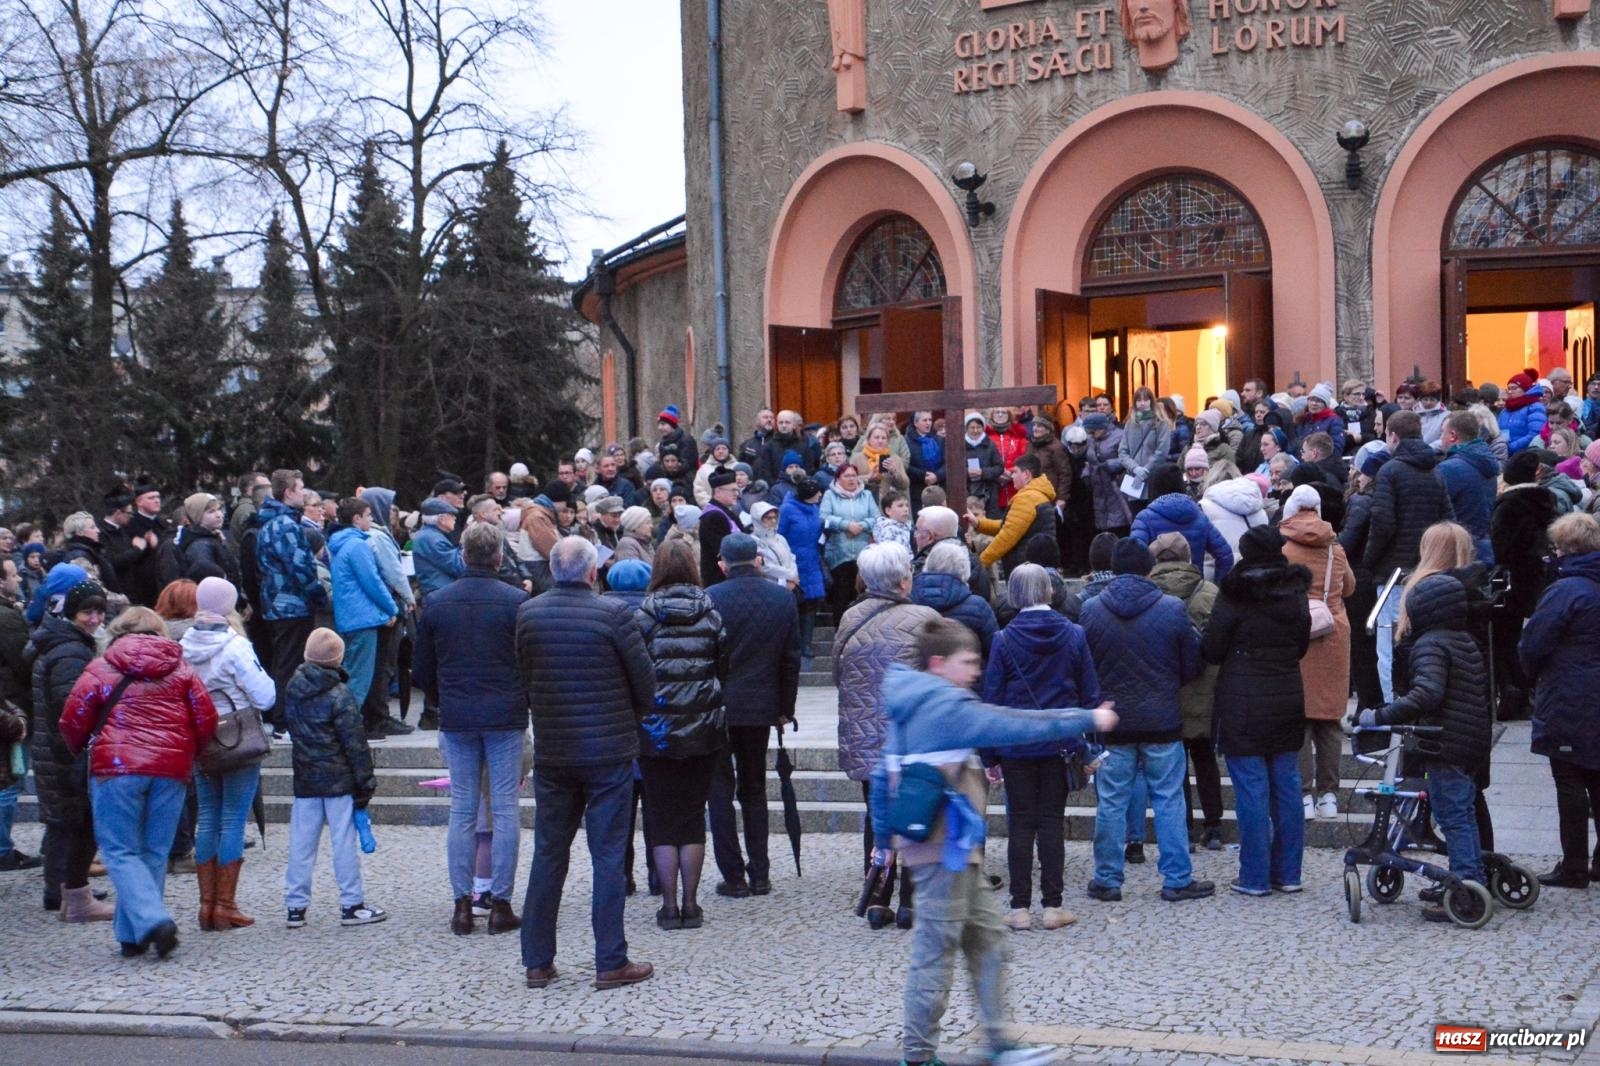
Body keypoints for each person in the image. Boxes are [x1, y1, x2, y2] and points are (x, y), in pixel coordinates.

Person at [870, 617, 1116, 1066]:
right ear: (939, 664)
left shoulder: (913, 699)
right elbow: (1014, 723)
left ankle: (999, 1042)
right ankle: (919, 1058)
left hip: (956, 848)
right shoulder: (944, 706)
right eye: (968, 662)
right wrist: (1088, 717)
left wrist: (885, 841)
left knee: (987, 942)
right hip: (944, 852)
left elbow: (880, 772)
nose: (976, 671)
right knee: (935, 955)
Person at [516, 536, 656, 990]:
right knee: (608, 855)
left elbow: (525, 675)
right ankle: (610, 960)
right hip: (608, 751)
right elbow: (646, 685)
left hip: (555, 750)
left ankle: (537, 961)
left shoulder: (528, 614)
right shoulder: (613, 614)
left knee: (549, 853)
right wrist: (627, 719)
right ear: (593, 572)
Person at [59, 606, 216, 957]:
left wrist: (80, 750)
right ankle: (132, 935)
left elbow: (73, 718)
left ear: (118, 632)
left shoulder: (101, 668)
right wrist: (186, 752)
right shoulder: (182, 671)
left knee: (118, 849)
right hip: (171, 769)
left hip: (115, 768)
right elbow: (206, 719)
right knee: (154, 851)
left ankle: (151, 920)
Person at [412, 523, 530, 935]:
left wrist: (445, 696)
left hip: (459, 713)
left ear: (462, 555)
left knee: (462, 810)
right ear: (499, 556)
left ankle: (462, 904)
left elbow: (422, 669)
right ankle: (500, 902)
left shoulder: (437, 603)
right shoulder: (517, 602)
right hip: (505, 713)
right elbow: (528, 662)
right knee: (504, 809)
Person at [1357, 571, 1493, 920]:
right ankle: (1470, 875)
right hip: (1469, 739)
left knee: (1453, 816)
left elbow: (1427, 692)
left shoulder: (1431, 644)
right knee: (1462, 814)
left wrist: (1380, 715)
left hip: (1444, 742)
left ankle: (1466, 886)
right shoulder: (1464, 639)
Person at [1080, 538, 1210, 902]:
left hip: (1112, 721)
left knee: (1111, 801)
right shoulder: (1170, 609)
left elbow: (1084, 667)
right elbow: (1192, 663)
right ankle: (1177, 878)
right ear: (1148, 569)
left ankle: (1107, 878)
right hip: (1162, 717)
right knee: (1169, 799)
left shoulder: (1091, 609)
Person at [982, 565, 1101, 931]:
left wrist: (989, 756)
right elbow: (1090, 693)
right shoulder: (1074, 634)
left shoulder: (1003, 639)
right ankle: (1053, 905)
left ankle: (1019, 907)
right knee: (1050, 822)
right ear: (1050, 591)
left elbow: (992, 699)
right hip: (1060, 742)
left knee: (1020, 824)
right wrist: (1092, 748)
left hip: (1017, 743)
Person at [1202, 527, 1311, 897]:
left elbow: (1213, 648)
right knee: (1287, 784)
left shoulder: (1235, 593)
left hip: (1242, 698)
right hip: (1286, 695)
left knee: (1251, 789)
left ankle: (1255, 876)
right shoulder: (1295, 591)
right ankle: (1289, 872)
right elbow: (1300, 645)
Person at [836, 543, 940, 925]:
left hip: (865, 734)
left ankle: (879, 897)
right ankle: (911, 899)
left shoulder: (850, 618)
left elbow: (838, 674)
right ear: (902, 580)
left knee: (875, 814)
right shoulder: (926, 618)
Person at [631, 540, 728, 930]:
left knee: (660, 816)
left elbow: (636, 674)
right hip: (702, 730)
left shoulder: (643, 616)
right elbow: (725, 669)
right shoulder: (711, 615)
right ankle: (690, 902)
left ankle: (669, 905)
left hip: (656, 731)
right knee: (691, 816)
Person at [180, 577, 277, 932]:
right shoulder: (234, 646)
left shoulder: (184, 645)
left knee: (207, 817)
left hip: (201, 738)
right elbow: (265, 696)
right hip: (237, 738)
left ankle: (205, 905)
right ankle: (225, 905)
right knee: (234, 818)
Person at [707, 533, 800, 898]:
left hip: (719, 707)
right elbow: (790, 659)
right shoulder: (780, 598)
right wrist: (784, 709)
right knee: (755, 788)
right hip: (761, 706)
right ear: (758, 560)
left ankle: (733, 874)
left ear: (723, 564)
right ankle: (760, 871)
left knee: (719, 790)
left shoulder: (711, 598)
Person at [282, 628, 385, 929]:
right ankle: (352, 904)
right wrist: (365, 783)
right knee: (343, 842)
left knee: (302, 843)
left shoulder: (293, 687)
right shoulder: (340, 694)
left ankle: (295, 906)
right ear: (339, 658)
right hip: (338, 779)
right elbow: (355, 743)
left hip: (306, 776)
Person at [1518, 512, 1600, 889]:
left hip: (1572, 695)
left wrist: (1528, 673)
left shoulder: (1567, 590)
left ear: (1565, 549)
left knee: (1568, 778)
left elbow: (1534, 643)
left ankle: (1574, 865)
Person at [29, 573, 111, 918]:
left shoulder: (62, 642)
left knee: (64, 819)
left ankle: (64, 890)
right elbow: (71, 703)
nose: (94, 619)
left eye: (99, 612)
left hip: (54, 745)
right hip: (65, 749)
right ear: (72, 612)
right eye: (86, 612)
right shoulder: (70, 650)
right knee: (72, 820)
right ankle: (66, 892)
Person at [1276, 486, 1357, 821]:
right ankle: (1329, 796)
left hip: (1296, 633)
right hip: (1333, 634)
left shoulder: (1283, 548)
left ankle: (1303, 796)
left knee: (1301, 720)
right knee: (1329, 720)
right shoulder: (1335, 548)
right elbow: (1349, 587)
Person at [1362, 411, 1453, 703]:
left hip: (1393, 573)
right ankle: (1422, 702)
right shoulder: (1436, 471)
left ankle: (1394, 709)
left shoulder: (1390, 471)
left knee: (1388, 645)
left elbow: (1383, 523)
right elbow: (1447, 521)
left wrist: (1368, 561)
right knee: (1420, 641)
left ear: (1393, 436)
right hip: (1428, 570)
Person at [1145, 533, 1224, 851]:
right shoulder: (1210, 592)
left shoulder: (1148, 594)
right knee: (1205, 759)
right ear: (1188, 555)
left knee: (1172, 765)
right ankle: (1214, 826)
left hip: (1164, 690)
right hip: (1204, 690)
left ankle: (1184, 828)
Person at [255, 469, 329, 735]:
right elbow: (300, 566)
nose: (304, 492)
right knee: (289, 662)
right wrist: (318, 593)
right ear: (288, 493)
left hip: (281, 601)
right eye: (300, 488)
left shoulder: (274, 522)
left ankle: (286, 718)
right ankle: (283, 722)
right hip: (290, 602)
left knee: (287, 660)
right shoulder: (284, 525)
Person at [327, 498, 399, 735]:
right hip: (362, 619)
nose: (371, 520)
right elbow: (372, 582)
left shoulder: (340, 544)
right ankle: (347, 728)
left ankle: (346, 724)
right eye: (368, 515)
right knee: (359, 679)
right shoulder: (357, 546)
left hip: (351, 617)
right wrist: (392, 608)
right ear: (356, 519)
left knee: (353, 673)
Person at [1129, 464, 1234, 579]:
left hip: (1158, 590)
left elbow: (1133, 558)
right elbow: (1225, 555)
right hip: (1194, 588)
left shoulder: (1145, 518)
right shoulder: (1199, 515)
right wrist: (1217, 586)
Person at [971, 453, 1058, 578]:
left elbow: (1007, 536)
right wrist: (978, 523)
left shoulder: (1028, 498)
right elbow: (1009, 525)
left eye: (1015, 472)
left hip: (1025, 570)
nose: (1012, 476)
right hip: (1036, 567)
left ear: (1026, 475)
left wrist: (981, 563)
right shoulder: (1038, 495)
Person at [912, 541, 997, 659]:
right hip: (970, 674)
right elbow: (994, 651)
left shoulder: (909, 603)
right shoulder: (978, 607)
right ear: (964, 569)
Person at [821, 464, 881, 626]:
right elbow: (824, 518)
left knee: (862, 598)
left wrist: (861, 526)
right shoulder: (829, 495)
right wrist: (845, 525)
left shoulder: (867, 495)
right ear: (838, 479)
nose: (852, 479)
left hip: (863, 554)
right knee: (841, 597)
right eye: (847, 476)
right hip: (840, 554)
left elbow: (877, 518)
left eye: (854, 475)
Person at [1437, 411, 1498, 566]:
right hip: (1482, 548)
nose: (1440, 439)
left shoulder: (1449, 468)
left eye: (1442, 433)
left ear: (1452, 435)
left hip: (1457, 552)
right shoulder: (1486, 462)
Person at [777, 478, 826, 663]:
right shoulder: (787, 509)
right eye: (817, 492)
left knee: (812, 601)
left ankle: (807, 642)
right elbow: (780, 535)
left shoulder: (814, 508)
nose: (820, 495)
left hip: (812, 560)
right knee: (796, 601)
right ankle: (794, 643)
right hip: (794, 561)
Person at [1117, 386, 1172, 506]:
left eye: (1146, 400)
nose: (1142, 403)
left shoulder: (1160, 422)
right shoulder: (1130, 424)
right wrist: (1135, 468)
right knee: (1136, 516)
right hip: (1134, 479)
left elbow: (1162, 451)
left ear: (1152, 402)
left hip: (1154, 478)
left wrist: (1146, 470)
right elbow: (1122, 452)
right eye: (1139, 400)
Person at [1082, 412, 1131, 539]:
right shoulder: (1092, 440)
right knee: (1103, 529)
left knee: (1119, 525)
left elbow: (1130, 458)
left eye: (1093, 431)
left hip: (1116, 488)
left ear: (1101, 427)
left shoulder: (1120, 436)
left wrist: (1112, 464)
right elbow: (1090, 460)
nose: (1091, 434)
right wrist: (1086, 472)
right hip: (1099, 490)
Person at [961, 413, 1005, 519]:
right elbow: (954, 469)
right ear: (966, 429)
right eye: (972, 427)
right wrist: (967, 472)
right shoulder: (960, 445)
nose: (975, 430)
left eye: (978, 427)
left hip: (989, 491)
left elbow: (999, 467)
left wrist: (983, 472)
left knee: (990, 521)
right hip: (967, 490)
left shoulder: (990, 444)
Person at [749, 501, 798, 588]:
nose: (774, 521)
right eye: (768, 518)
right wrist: (790, 575)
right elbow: (765, 566)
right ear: (758, 520)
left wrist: (793, 575)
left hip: (791, 583)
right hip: (771, 586)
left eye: (775, 517)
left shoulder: (780, 538)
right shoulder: (752, 541)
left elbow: (791, 557)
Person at [1498, 371, 1548, 455]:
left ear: (1525, 389)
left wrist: (1511, 447)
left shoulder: (1535, 407)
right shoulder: (1505, 410)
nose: (1510, 392)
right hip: (1505, 454)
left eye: (1514, 388)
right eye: (1509, 389)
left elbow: (1535, 434)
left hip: (1526, 455)